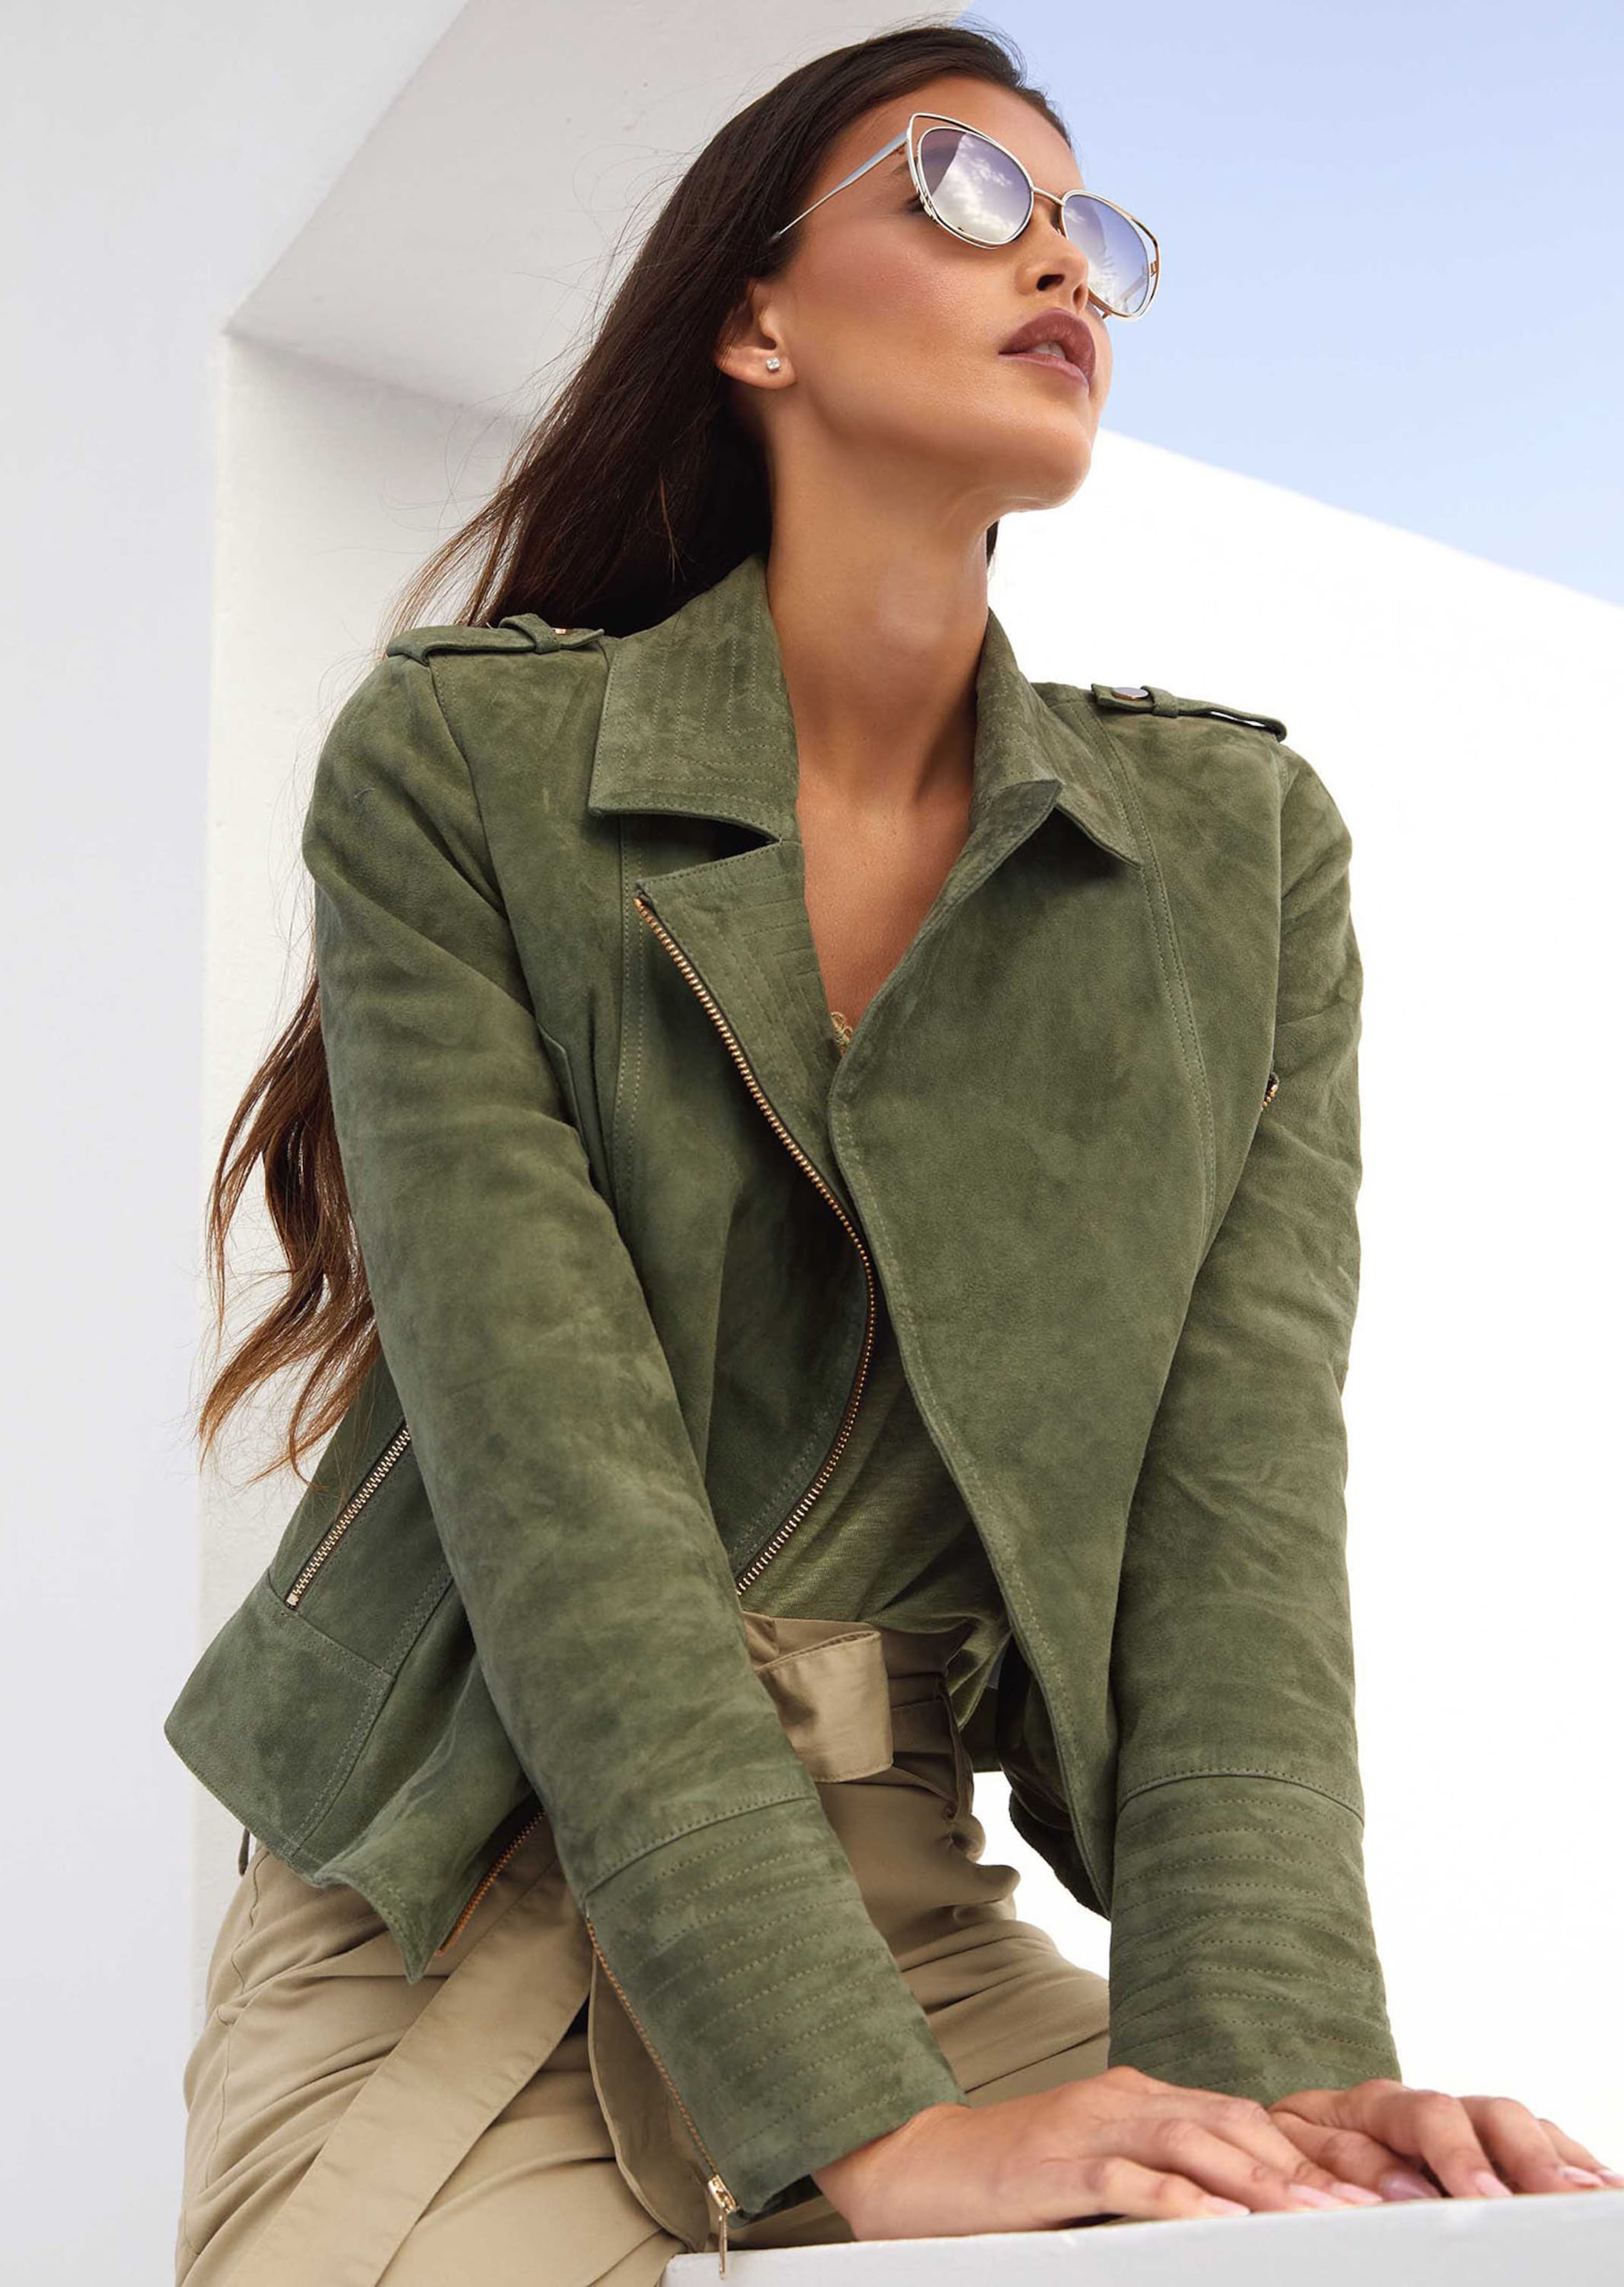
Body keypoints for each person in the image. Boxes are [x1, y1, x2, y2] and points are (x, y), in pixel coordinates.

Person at [168, 24, 1620, 2285]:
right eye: (959, 190)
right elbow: (561, 1499)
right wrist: (864, 2130)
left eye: (1091, 229)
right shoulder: (464, 773)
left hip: (908, 1919)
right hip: (454, 1917)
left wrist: (1279, 2101)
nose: (1059, 259)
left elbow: (1233, 1527)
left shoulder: (1228, 856)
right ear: (753, 320)